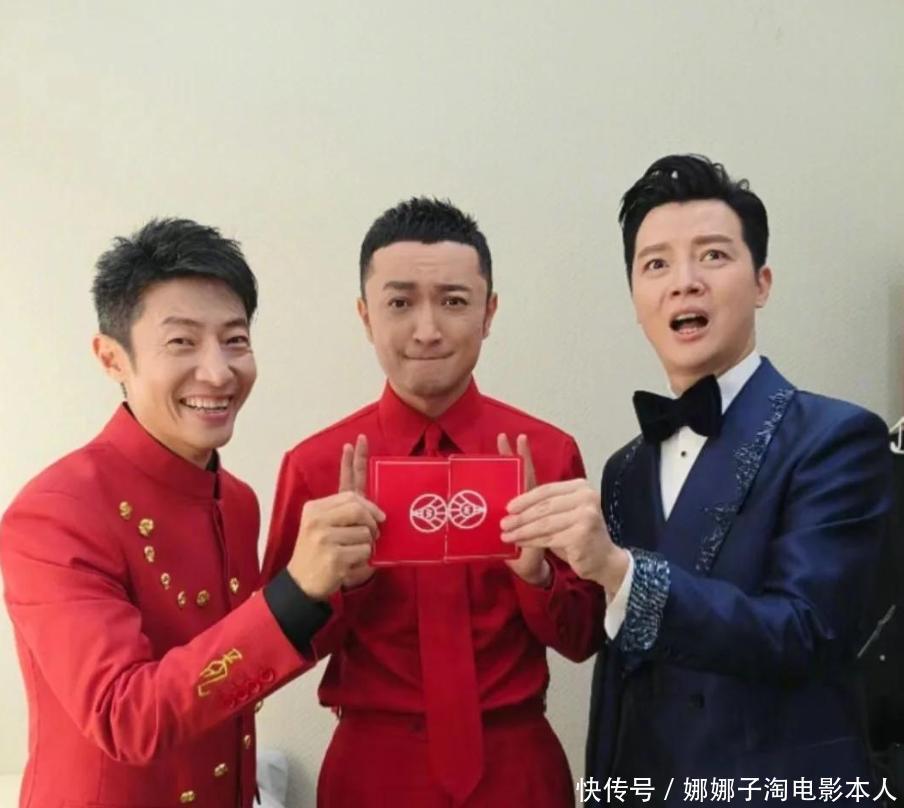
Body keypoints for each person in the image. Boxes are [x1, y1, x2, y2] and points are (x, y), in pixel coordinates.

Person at [501, 155, 893, 805]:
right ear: (635, 297)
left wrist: (622, 571)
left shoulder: (837, 438)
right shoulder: (625, 467)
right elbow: (618, 661)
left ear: (762, 282)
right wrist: (542, 575)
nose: (684, 283)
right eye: (655, 264)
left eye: (713, 256)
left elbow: (806, 631)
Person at [0, 218, 380, 807]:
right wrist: (294, 590)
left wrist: (337, 585)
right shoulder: (55, 513)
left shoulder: (237, 500)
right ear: (111, 358)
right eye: (182, 342)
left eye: (235, 339)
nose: (218, 371)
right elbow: (125, 716)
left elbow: (243, 670)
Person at [262, 197, 604, 807]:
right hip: (370, 774)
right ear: (366, 316)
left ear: (488, 312)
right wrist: (340, 586)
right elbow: (277, 652)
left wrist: (537, 577)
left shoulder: (548, 455)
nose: (426, 330)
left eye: (453, 301)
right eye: (400, 303)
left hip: (518, 769)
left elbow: (584, 639)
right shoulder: (316, 468)